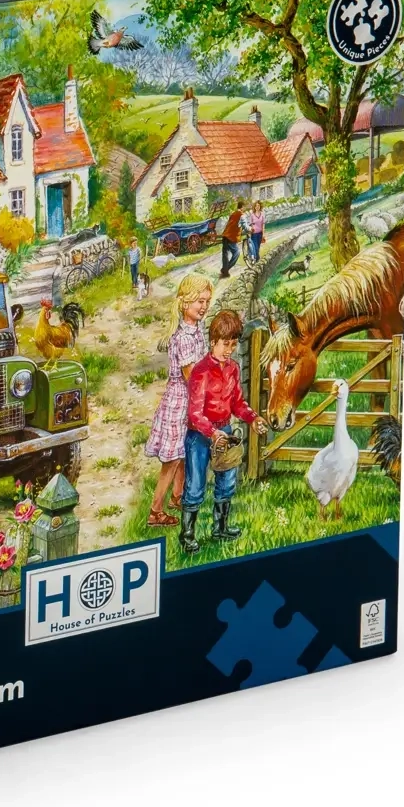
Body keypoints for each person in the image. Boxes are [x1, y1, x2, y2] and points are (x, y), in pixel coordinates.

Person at [180, 310, 268, 552]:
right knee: (195, 485)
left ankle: (220, 527)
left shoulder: (233, 369)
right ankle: (187, 535)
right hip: (199, 436)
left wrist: (252, 418)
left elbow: (237, 403)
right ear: (213, 342)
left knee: (227, 481)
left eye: (233, 344)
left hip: (225, 431)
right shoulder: (201, 371)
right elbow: (194, 413)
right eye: (224, 344)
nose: (229, 350)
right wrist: (212, 433)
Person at [142, 274, 213, 525]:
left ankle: (178, 496)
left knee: (183, 452)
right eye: (199, 301)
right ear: (185, 303)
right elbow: (191, 376)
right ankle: (155, 511)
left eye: (206, 301)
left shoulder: (197, 331)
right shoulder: (182, 337)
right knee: (172, 459)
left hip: (190, 400)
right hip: (180, 402)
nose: (204, 306)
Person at [218, 200, 246, 278]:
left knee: (225, 254)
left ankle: (225, 272)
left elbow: (231, 225)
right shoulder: (241, 215)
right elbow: (244, 225)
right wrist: (250, 229)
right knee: (237, 253)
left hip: (225, 236)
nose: (245, 209)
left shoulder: (233, 214)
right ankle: (225, 269)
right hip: (231, 237)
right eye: (244, 207)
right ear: (242, 207)